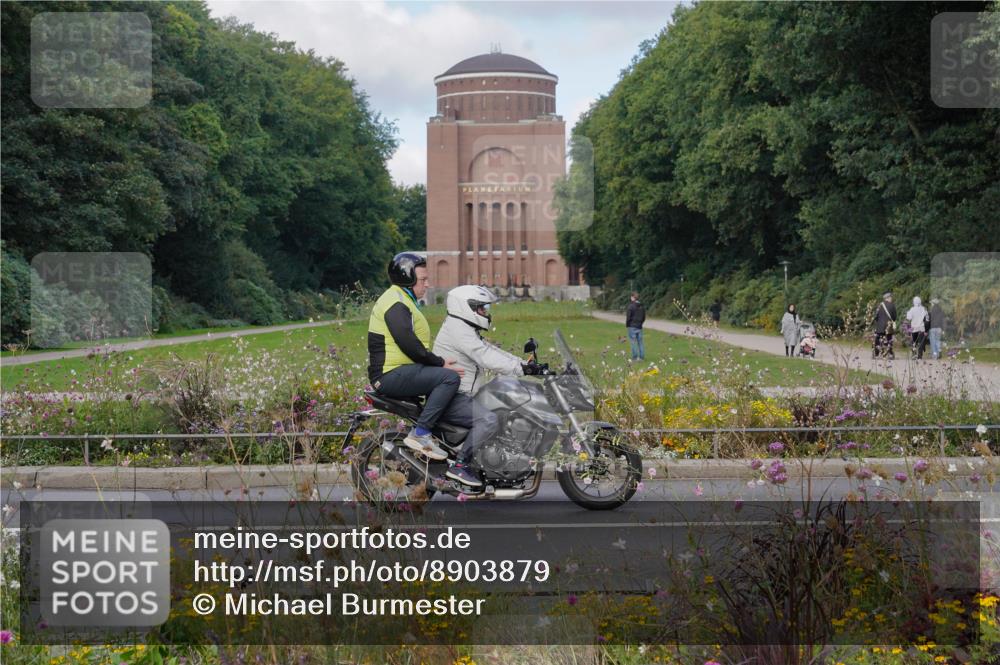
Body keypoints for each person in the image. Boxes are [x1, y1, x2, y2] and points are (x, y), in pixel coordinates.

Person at [432, 285, 543, 487]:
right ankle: (460, 465)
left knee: (502, 406)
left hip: (462, 394)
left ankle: (494, 465)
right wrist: (521, 370)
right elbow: (485, 357)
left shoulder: (462, 327)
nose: (486, 313)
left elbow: (489, 349)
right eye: (482, 308)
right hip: (453, 397)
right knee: (490, 420)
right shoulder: (458, 330)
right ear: (467, 307)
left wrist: (524, 365)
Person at [367, 252, 464, 461]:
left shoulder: (400, 299)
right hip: (389, 374)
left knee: (442, 379)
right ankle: (421, 434)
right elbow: (408, 343)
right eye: (423, 280)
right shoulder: (396, 303)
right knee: (449, 378)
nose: (427, 284)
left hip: (397, 371)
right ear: (407, 278)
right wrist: (439, 363)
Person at [873, 292, 897, 359]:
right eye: (891, 297)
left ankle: (877, 354)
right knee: (889, 339)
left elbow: (875, 316)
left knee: (878, 339)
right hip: (888, 326)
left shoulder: (879, 305)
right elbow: (894, 317)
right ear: (888, 298)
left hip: (880, 326)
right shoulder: (892, 305)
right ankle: (890, 354)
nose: (891, 298)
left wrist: (879, 322)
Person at [625, 292, 646, 361]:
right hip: (639, 326)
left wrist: (627, 325)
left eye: (631, 297)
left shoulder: (630, 306)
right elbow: (644, 317)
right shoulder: (642, 306)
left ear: (633, 298)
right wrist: (640, 323)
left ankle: (635, 357)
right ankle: (641, 357)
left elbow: (628, 317)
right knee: (640, 342)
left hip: (632, 326)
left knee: (633, 342)